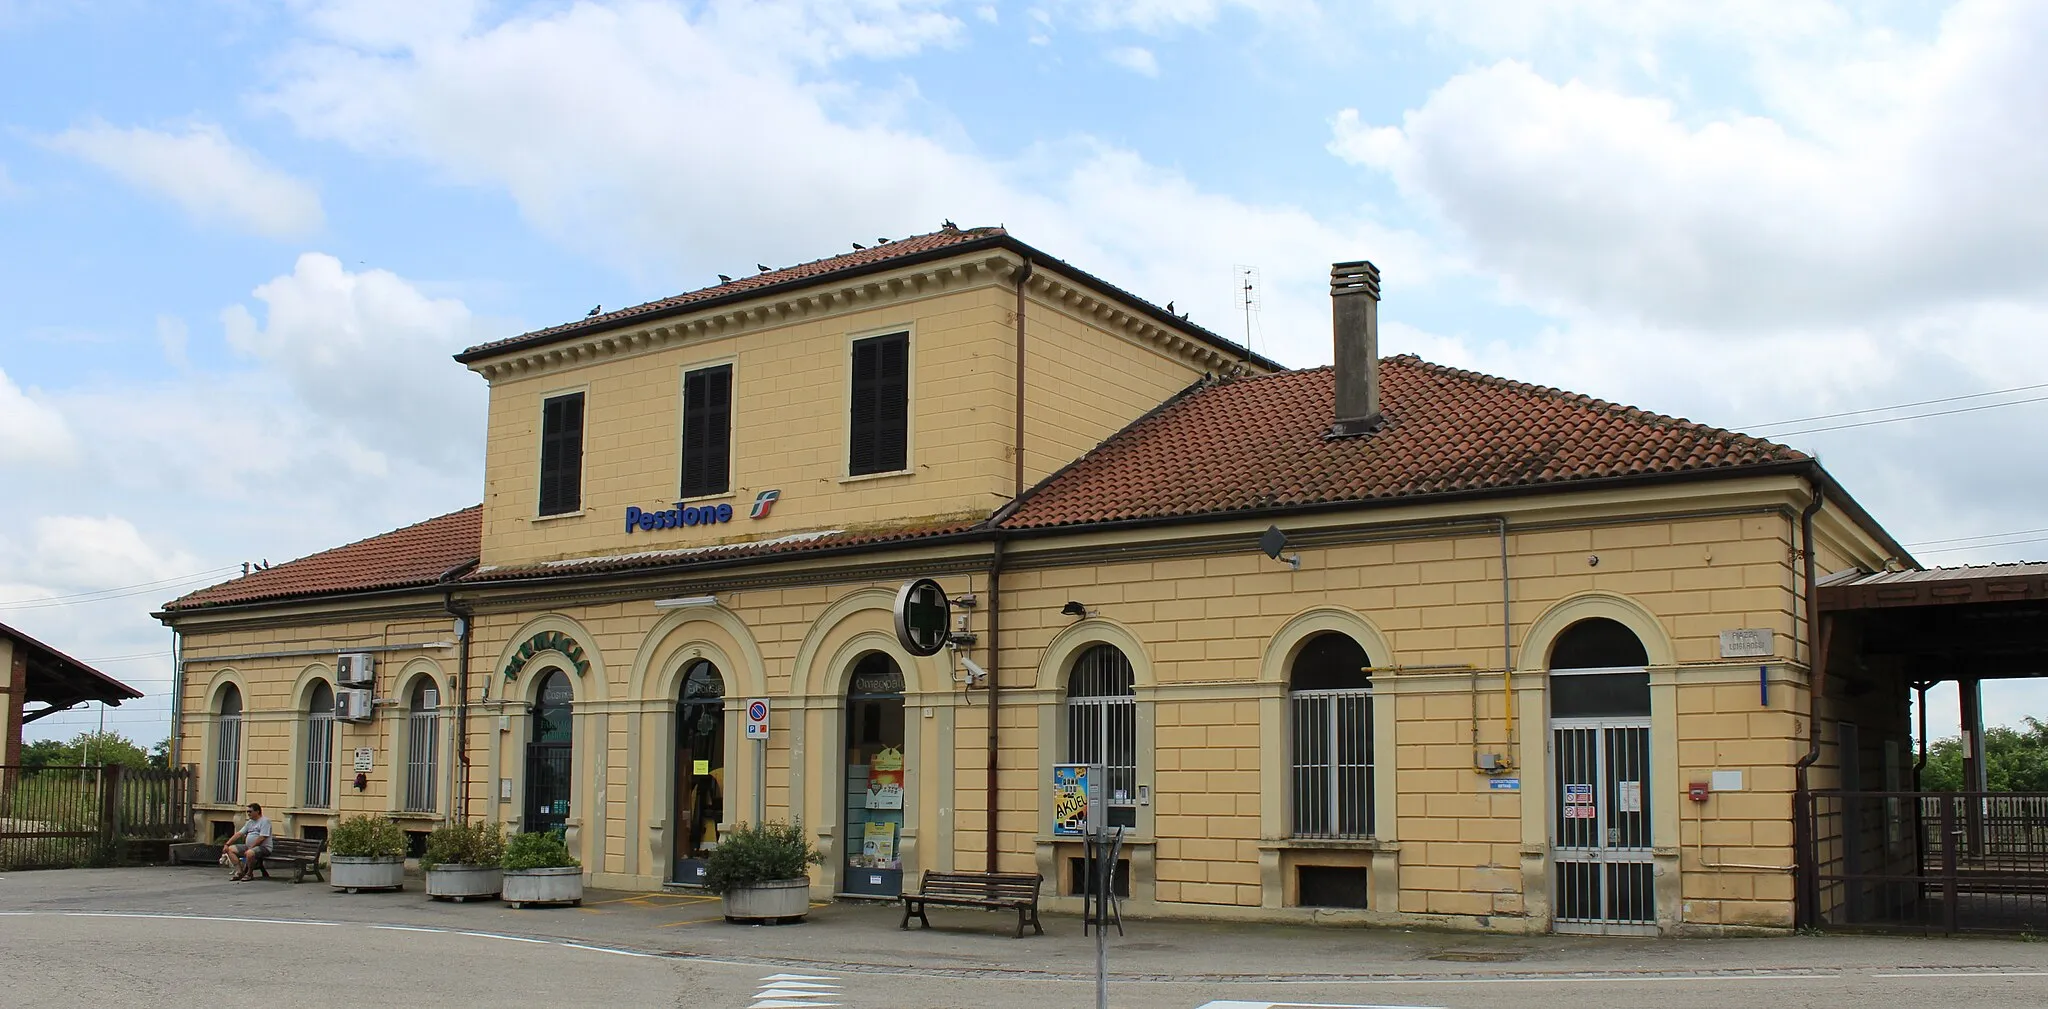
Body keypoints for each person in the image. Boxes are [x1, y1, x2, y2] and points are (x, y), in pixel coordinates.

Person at [222, 803, 274, 881]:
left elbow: (262, 837)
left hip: (263, 848)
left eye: (250, 811)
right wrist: (227, 844)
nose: (248, 813)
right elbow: (239, 834)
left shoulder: (265, 821)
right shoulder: (250, 822)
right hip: (249, 847)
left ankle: (249, 874)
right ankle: (239, 872)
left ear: (258, 811)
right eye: (247, 812)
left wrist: (252, 848)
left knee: (250, 853)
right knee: (230, 849)